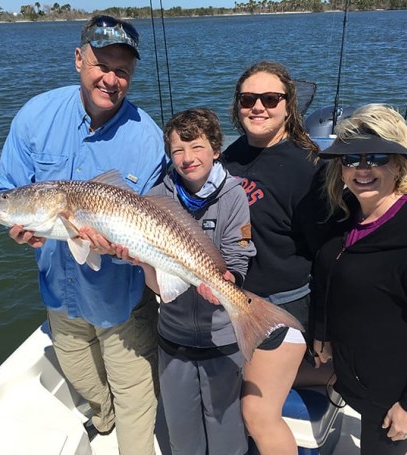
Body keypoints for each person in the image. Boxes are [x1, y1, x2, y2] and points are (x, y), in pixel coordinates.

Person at [0, 14, 167, 455]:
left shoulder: (147, 138)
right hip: (59, 294)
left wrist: (128, 252)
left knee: (134, 393)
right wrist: (23, 232)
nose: (110, 78)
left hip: (121, 297)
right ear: (78, 59)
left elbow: (153, 223)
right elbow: (5, 191)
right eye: (100, 65)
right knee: (85, 379)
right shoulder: (35, 116)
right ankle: (101, 421)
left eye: (122, 70)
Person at [312, 103, 407, 455]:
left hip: (399, 390)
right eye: (351, 159)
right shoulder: (348, 214)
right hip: (361, 376)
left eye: (377, 157)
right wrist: (321, 331)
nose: (362, 169)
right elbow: (330, 272)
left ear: (399, 162)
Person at [222, 61, 331, 455]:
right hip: (233, 300)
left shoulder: (309, 167)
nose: (258, 107)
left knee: (256, 411)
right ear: (237, 106)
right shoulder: (227, 159)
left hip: (286, 305)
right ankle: (327, 373)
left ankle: (333, 367)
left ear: (289, 106)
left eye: (271, 99)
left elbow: (327, 254)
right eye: (248, 99)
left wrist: (324, 328)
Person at [140, 108, 256, 454]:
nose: (187, 158)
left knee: (226, 433)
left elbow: (238, 258)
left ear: (217, 149)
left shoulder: (234, 194)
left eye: (196, 147)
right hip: (173, 337)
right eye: (177, 150)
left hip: (221, 338)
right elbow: (158, 281)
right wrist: (141, 260)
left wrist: (226, 282)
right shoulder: (156, 198)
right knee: (182, 433)